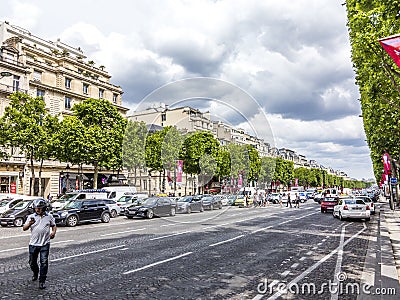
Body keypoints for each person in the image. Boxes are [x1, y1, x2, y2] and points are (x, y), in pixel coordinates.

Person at [23, 199, 57, 290]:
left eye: (39, 208)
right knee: (32, 262)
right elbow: (24, 228)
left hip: (45, 244)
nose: (37, 210)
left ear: (44, 208)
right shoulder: (31, 217)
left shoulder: (49, 216)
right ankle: (35, 272)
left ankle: (42, 281)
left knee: (44, 263)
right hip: (33, 244)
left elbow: (53, 225)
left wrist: (53, 233)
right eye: (36, 208)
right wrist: (30, 223)